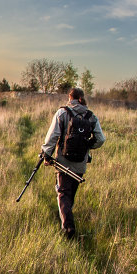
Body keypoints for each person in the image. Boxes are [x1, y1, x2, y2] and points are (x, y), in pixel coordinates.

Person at [40, 87, 105, 239]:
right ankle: (66, 219)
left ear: (70, 97)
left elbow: (52, 137)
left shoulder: (62, 113)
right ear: (82, 98)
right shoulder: (91, 116)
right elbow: (100, 139)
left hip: (63, 161)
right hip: (80, 163)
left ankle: (68, 228)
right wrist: (87, 147)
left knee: (63, 193)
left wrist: (46, 155)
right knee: (70, 194)